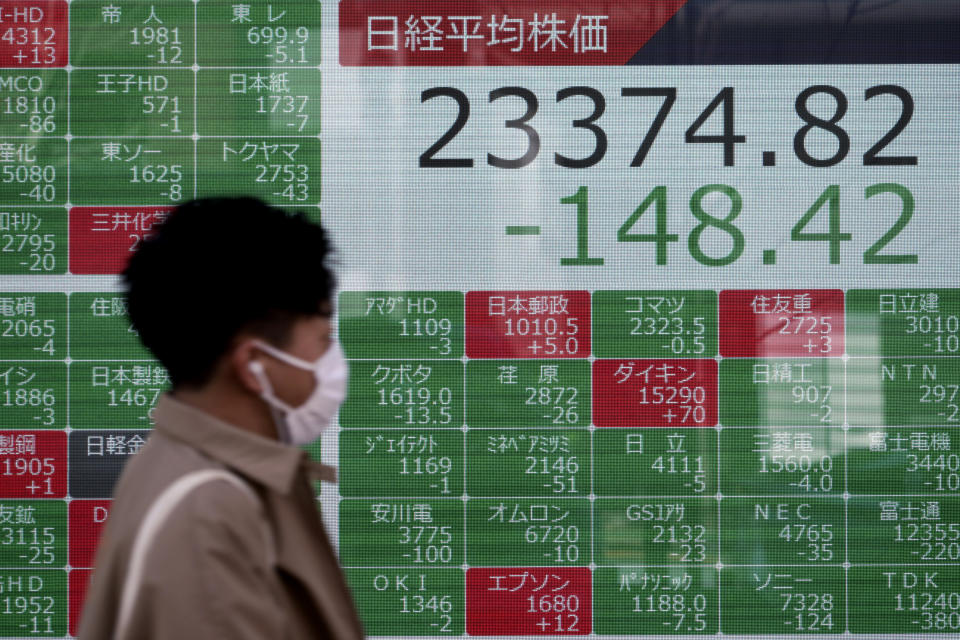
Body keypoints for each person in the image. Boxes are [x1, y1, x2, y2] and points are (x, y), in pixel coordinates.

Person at [78, 198, 365, 639]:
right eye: (323, 338)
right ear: (254, 365)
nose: (333, 360)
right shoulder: (207, 513)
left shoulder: (194, 470)